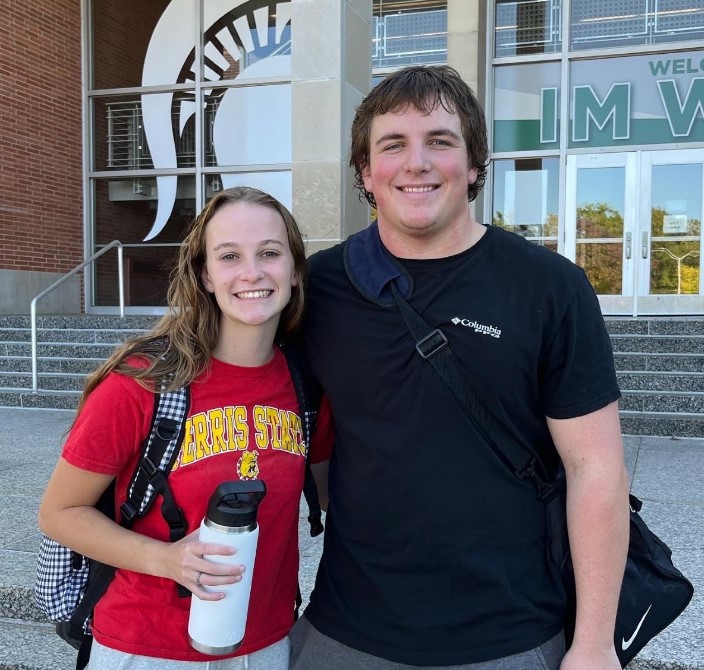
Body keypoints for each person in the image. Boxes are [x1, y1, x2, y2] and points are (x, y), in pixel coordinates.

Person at [289, 65, 630, 670]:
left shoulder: (550, 287)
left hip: (516, 635)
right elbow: (265, 414)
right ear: (366, 173)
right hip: (348, 630)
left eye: (440, 141)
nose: (416, 162)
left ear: (474, 165)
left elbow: (595, 466)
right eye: (392, 145)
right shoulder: (321, 288)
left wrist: (595, 643)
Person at [38, 186, 320, 670]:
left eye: (270, 253)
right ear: (206, 276)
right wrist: (166, 560)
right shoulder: (144, 381)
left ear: (294, 270)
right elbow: (60, 513)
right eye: (229, 256)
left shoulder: (306, 385)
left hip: (266, 642)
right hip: (143, 647)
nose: (252, 272)